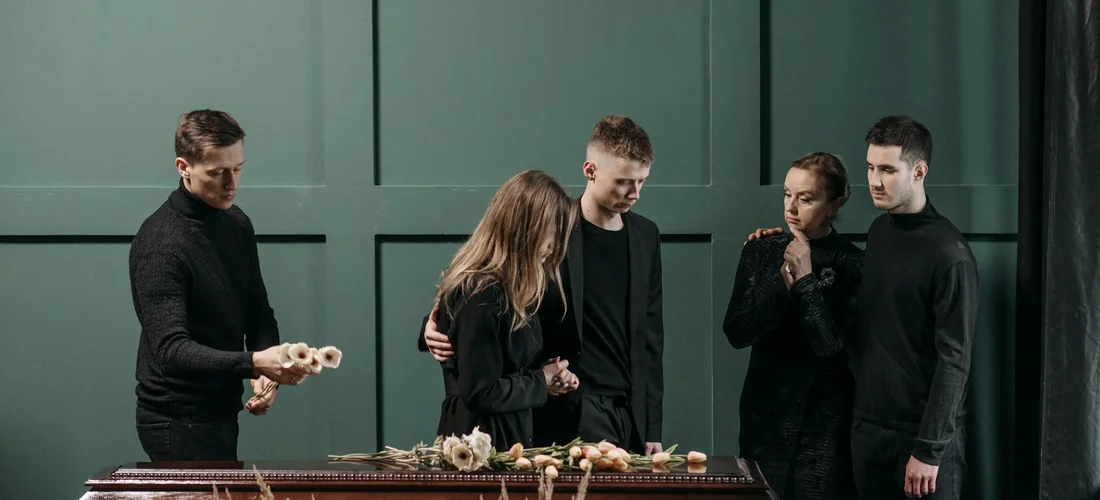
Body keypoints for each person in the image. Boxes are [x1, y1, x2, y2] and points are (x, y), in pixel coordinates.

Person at [746, 116, 978, 499]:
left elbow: (955, 360)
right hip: (866, 431)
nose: (874, 180)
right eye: (871, 167)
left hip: (921, 442)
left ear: (919, 171)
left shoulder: (950, 255)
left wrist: (929, 450)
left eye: (887, 169)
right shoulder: (880, 232)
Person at [420, 115, 666, 455]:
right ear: (590, 171)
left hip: (627, 412)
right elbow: (489, 287)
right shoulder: (549, 223)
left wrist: (651, 425)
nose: (635, 193)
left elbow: (650, 337)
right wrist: (431, 329)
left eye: (642, 181)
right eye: (624, 181)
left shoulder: (645, 235)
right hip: (562, 411)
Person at [129, 109, 309, 461]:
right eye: (217, 172)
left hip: (220, 411)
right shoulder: (159, 244)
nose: (232, 183)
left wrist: (264, 368)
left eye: (238, 168)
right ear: (184, 167)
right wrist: (254, 362)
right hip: (174, 419)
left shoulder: (236, 223)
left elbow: (257, 309)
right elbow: (171, 350)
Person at [723, 152, 862, 500]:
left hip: (823, 422)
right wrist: (783, 288)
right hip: (764, 417)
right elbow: (737, 333)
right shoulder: (761, 250)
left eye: (806, 198)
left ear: (836, 201)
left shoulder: (854, 263)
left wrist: (805, 281)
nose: (792, 208)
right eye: (788, 194)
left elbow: (831, 347)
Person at [432, 169, 580, 449]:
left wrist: (547, 377)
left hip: (502, 439)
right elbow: (480, 391)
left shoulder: (508, 289)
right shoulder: (482, 292)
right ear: (526, 229)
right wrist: (541, 380)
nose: (556, 246)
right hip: (478, 445)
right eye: (553, 233)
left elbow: (501, 369)